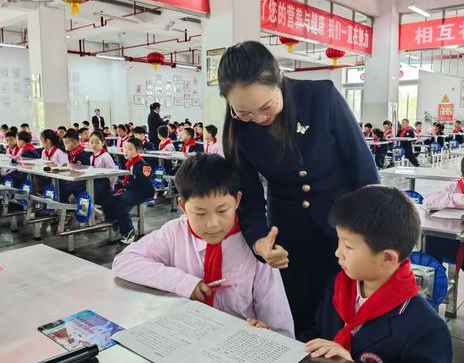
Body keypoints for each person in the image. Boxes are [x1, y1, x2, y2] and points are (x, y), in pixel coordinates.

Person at [217, 41, 379, 334]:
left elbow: (364, 171)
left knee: (344, 316)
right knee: (297, 315)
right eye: (244, 112)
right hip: (288, 235)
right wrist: (259, 243)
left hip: (344, 228)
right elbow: (250, 201)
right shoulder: (237, 129)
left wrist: (367, 232)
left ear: (279, 77)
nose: (259, 119)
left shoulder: (321, 97)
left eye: (266, 107)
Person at [112, 154, 294, 337]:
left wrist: (266, 332)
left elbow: (281, 326)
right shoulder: (174, 234)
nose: (213, 224)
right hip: (184, 337)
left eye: (222, 210)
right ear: (183, 206)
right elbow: (124, 262)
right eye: (200, 213)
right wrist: (183, 282)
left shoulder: (257, 249)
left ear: (237, 201)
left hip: (238, 346)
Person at [300, 186, 452, 363]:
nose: (338, 253)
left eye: (348, 247)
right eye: (339, 241)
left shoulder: (426, 330)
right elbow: (315, 336)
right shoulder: (339, 288)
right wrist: (273, 338)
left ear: (388, 258)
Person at [424, 149, 464, 354]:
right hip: (453, 244)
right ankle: (426, 322)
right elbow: (428, 201)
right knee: (427, 270)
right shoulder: (455, 188)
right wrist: (458, 199)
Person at [103, 138, 154, 244]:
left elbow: (145, 185)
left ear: (138, 151)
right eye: (125, 148)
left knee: (121, 205)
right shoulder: (129, 163)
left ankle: (129, 232)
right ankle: (116, 221)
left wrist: (151, 195)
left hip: (139, 192)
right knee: (108, 197)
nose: (126, 151)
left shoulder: (143, 166)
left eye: (130, 149)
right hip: (129, 190)